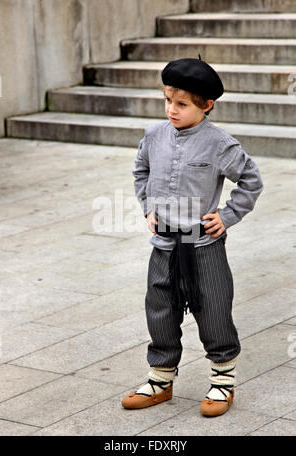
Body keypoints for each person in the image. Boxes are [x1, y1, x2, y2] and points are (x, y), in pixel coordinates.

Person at [121, 57, 263, 417]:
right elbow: (141, 169)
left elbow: (251, 181)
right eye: (168, 100)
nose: (172, 109)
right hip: (163, 245)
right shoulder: (153, 135)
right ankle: (160, 378)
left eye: (182, 104)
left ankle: (223, 380)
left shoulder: (220, 144)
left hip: (203, 245)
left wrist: (228, 215)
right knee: (160, 309)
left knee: (214, 308)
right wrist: (148, 206)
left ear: (206, 105)